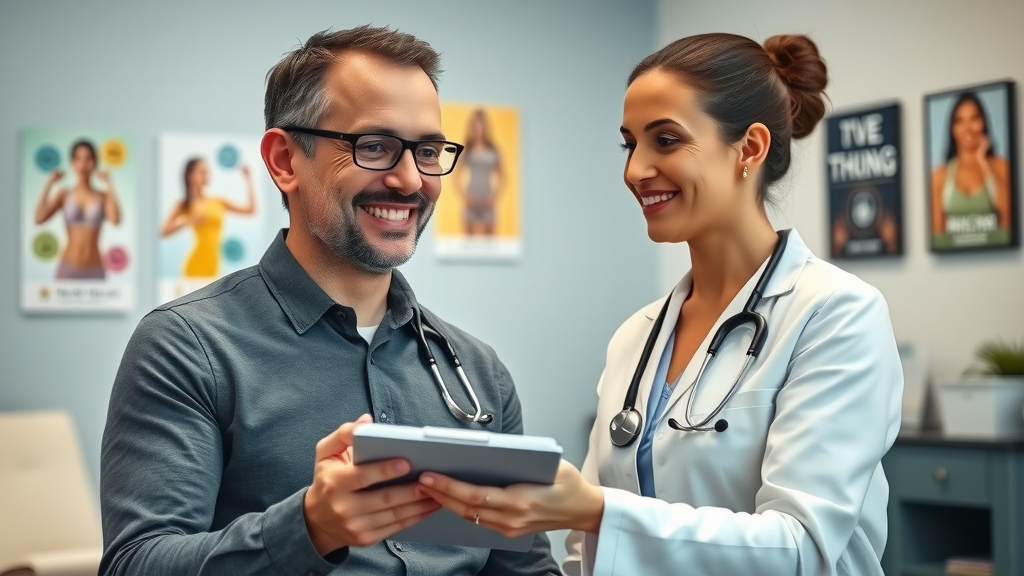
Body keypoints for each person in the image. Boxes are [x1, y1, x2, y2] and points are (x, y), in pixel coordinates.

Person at [417, 33, 904, 576]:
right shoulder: (636, 336)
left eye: (666, 140)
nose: (635, 170)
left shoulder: (836, 314)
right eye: (629, 145)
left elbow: (802, 549)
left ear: (750, 148)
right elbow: (583, 551)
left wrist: (597, 510)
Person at [100, 25, 559, 576]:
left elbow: (526, 569)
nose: (410, 180)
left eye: (427, 151)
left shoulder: (480, 373)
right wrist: (309, 528)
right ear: (285, 160)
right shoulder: (188, 348)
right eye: (374, 146)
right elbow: (136, 563)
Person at [930, 92, 1011, 243]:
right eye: (959, 121)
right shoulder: (939, 175)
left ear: (984, 122)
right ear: (952, 128)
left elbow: (1008, 221)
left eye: (974, 119)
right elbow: (938, 238)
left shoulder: (1002, 166)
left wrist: (983, 161)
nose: (967, 128)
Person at [34, 139, 121, 279]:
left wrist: (110, 184)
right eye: (78, 158)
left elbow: (116, 220)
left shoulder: (103, 196)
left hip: (95, 270)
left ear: (95, 162)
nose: (83, 164)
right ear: (72, 162)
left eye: (88, 159)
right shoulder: (64, 194)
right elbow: (39, 218)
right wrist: (49, 183)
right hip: (68, 269)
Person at [159, 157, 257, 277]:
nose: (206, 174)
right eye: (202, 171)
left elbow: (250, 210)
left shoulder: (218, 201)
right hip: (195, 265)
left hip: (214, 265)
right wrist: (188, 220)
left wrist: (248, 180)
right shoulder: (185, 204)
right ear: (190, 175)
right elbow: (163, 231)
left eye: (207, 171)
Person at [454, 108, 504, 236]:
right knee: (468, 239)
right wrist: (464, 196)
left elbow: (503, 176)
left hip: (487, 196)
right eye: (475, 125)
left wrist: (495, 196)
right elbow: (455, 176)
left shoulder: (493, 150)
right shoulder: (467, 149)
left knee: (490, 240)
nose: (478, 129)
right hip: (472, 196)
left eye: (481, 125)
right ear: (472, 127)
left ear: (485, 127)